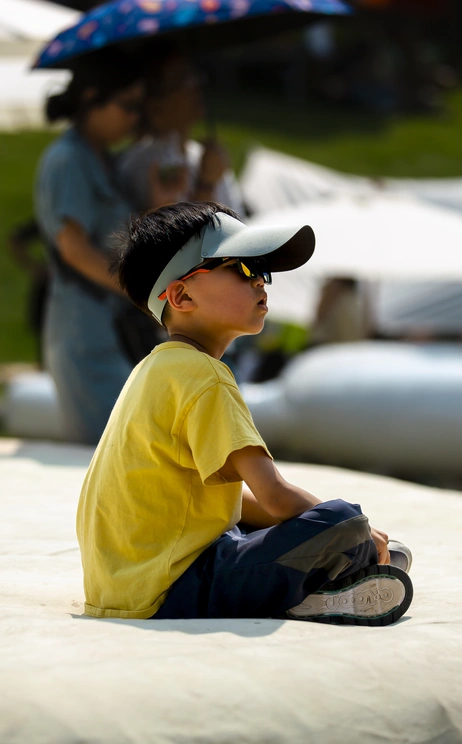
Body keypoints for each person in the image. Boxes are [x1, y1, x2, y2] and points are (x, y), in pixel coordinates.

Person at [76, 201, 413, 625]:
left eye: (264, 272)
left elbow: (236, 502)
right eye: (245, 269)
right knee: (340, 519)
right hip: (172, 590)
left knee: (271, 526)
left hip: (125, 585)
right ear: (181, 295)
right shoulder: (206, 376)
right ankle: (313, 594)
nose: (263, 284)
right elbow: (274, 495)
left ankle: (334, 573)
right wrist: (358, 533)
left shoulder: (155, 368)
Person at [34, 54, 162, 444]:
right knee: (107, 452)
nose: (135, 117)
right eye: (128, 106)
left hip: (110, 327)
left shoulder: (99, 157)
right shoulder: (68, 159)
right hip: (84, 332)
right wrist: (139, 292)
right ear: (92, 98)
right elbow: (73, 248)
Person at [118, 51, 244, 215]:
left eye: (195, 76)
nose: (197, 86)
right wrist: (206, 185)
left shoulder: (199, 154)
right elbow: (188, 236)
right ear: (155, 106)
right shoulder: (143, 166)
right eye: (184, 80)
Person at [311, 276, 372, 346]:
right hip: (347, 345)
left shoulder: (334, 289)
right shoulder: (357, 297)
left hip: (331, 344)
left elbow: (319, 315)